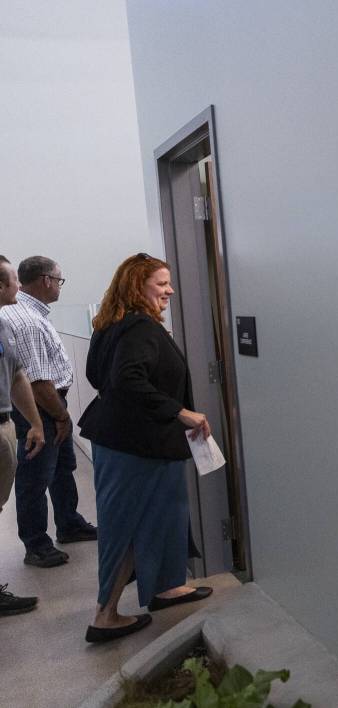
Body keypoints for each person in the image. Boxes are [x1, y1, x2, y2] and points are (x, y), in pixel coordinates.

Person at [78, 253, 213, 643]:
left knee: (165, 514)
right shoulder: (140, 329)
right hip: (136, 445)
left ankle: (166, 587)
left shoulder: (111, 325)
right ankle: (105, 615)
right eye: (162, 284)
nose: (170, 290)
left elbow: (96, 375)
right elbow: (127, 380)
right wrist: (180, 411)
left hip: (131, 441)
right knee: (129, 524)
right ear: (139, 286)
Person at [0, 256, 96, 568]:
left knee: (61, 467)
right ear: (45, 280)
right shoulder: (26, 319)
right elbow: (38, 381)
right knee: (36, 477)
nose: (59, 286)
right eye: (59, 280)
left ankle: (68, 523)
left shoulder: (28, 313)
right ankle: (37, 544)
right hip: (44, 407)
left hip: (50, 404)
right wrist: (59, 416)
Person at [0, 257, 46, 616]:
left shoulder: (1, 326)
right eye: (14, 279)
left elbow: (17, 376)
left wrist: (35, 422)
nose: (18, 285)